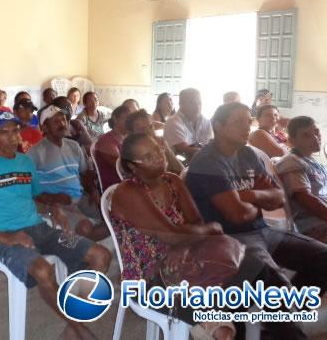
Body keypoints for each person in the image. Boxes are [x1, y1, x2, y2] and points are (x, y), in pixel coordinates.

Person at [112, 133, 306, 340]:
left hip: (190, 262)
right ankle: (226, 327)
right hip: (150, 278)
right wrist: (208, 229)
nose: (160, 157)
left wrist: (186, 243)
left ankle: (286, 333)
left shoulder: (173, 181)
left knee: (258, 271)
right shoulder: (128, 191)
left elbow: (195, 223)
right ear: (132, 166)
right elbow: (173, 235)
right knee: (228, 310)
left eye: (159, 150)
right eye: (149, 157)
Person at [0, 111, 111, 340]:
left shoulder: (25, 161)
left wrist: (53, 210)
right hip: (5, 237)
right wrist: (6, 238)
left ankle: (73, 326)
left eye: (15, 131)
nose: (11, 137)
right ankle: (79, 329)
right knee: (43, 270)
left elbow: (36, 197)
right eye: (3, 132)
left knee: (101, 255)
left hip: (40, 229)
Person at [185, 102, 327, 327]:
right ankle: (281, 318)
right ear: (219, 126)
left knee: (323, 258)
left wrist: (249, 194)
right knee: (276, 286)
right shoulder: (208, 161)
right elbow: (237, 215)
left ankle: (281, 317)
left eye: (248, 121)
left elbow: (278, 198)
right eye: (238, 122)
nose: (246, 128)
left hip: (262, 230)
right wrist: (261, 197)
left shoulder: (248, 153)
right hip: (228, 240)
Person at [29, 105, 107, 240]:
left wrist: (94, 192)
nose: (62, 124)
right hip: (58, 203)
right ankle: (86, 248)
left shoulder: (73, 146)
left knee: (112, 218)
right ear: (45, 127)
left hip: (81, 197)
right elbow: (28, 189)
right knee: (86, 228)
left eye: (64, 120)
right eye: (56, 121)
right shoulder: (35, 153)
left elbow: (84, 174)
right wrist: (52, 200)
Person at [276, 116, 327, 243]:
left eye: (316, 132)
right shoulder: (292, 161)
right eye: (306, 135)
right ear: (292, 140)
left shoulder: (316, 164)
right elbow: (305, 199)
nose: (316, 138)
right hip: (313, 225)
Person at [126, 109, 184, 174]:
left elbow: (179, 168)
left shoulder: (160, 141)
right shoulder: (132, 154)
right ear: (131, 134)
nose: (149, 132)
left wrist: (167, 150)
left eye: (151, 127)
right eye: (142, 129)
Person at [163, 88, 212, 161]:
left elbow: (208, 145)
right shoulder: (172, 122)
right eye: (192, 103)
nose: (197, 106)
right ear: (181, 104)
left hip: (202, 163)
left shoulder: (206, 121)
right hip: (179, 168)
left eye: (199, 103)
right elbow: (185, 149)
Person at [93, 105, 130, 191]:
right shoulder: (106, 141)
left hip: (128, 183)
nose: (130, 122)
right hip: (115, 188)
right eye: (127, 118)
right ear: (115, 119)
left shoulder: (128, 138)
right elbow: (122, 168)